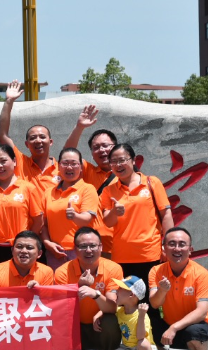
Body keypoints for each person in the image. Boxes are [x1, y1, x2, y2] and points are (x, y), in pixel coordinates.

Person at [0, 231, 55, 350]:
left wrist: (39, 291)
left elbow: (49, 305)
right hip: (3, 322)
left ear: (39, 253)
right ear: (12, 250)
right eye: (19, 247)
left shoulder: (46, 271)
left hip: (31, 321)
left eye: (29, 248)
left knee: (43, 321)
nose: (23, 251)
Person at [148, 227, 208, 350]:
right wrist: (162, 291)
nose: (177, 248)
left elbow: (202, 312)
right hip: (170, 326)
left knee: (195, 332)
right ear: (164, 248)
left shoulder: (201, 274)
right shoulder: (156, 271)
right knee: (145, 321)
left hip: (199, 327)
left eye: (182, 244)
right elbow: (154, 304)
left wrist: (174, 328)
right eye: (172, 244)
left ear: (190, 249)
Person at [54, 227, 123, 350]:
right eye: (83, 246)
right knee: (58, 322)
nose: (88, 250)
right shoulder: (62, 272)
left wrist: (96, 295)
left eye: (93, 245)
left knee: (111, 320)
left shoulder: (113, 268)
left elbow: (112, 307)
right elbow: (60, 308)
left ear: (101, 247)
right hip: (76, 327)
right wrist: (79, 287)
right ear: (75, 249)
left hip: (100, 327)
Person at [101, 143, 174, 281]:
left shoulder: (152, 182)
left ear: (133, 160)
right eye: (113, 162)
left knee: (151, 294)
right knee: (125, 295)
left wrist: (168, 244)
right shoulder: (108, 191)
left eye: (122, 160)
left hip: (150, 253)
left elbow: (166, 214)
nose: (118, 165)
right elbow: (108, 222)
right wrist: (114, 212)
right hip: (121, 256)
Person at [63, 105, 119, 256]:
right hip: (91, 248)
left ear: (116, 147)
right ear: (92, 154)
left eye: (106, 145)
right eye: (96, 147)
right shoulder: (87, 172)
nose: (102, 150)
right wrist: (79, 127)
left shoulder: (130, 177)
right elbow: (68, 153)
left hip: (122, 247)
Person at [0, 144, 43, 266]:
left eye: (3, 161)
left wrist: (27, 240)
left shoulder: (28, 188)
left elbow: (38, 220)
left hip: (21, 249)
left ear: (14, 161)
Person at [0, 80, 59, 193]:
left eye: (42, 137)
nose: (38, 140)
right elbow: (2, 134)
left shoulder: (62, 169)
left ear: (50, 142)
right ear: (27, 144)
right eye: (33, 138)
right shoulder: (20, 162)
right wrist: (9, 101)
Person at [41, 147, 98, 271]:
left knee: (82, 283)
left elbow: (87, 219)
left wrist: (75, 216)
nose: (69, 167)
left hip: (81, 251)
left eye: (74, 163)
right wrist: (47, 243)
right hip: (55, 252)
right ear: (58, 166)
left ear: (81, 167)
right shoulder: (48, 192)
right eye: (65, 163)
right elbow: (44, 224)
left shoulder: (88, 189)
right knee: (57, 283)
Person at [104, 276, 159, 350]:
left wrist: (141, 316)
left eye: (120, 288)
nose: (116, 291)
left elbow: (140, 336)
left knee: (142, 343)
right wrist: (97, 315)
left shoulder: (141, 313)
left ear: (131, 294)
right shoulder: (120, 310)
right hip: (127, 349)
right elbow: (109, 309)